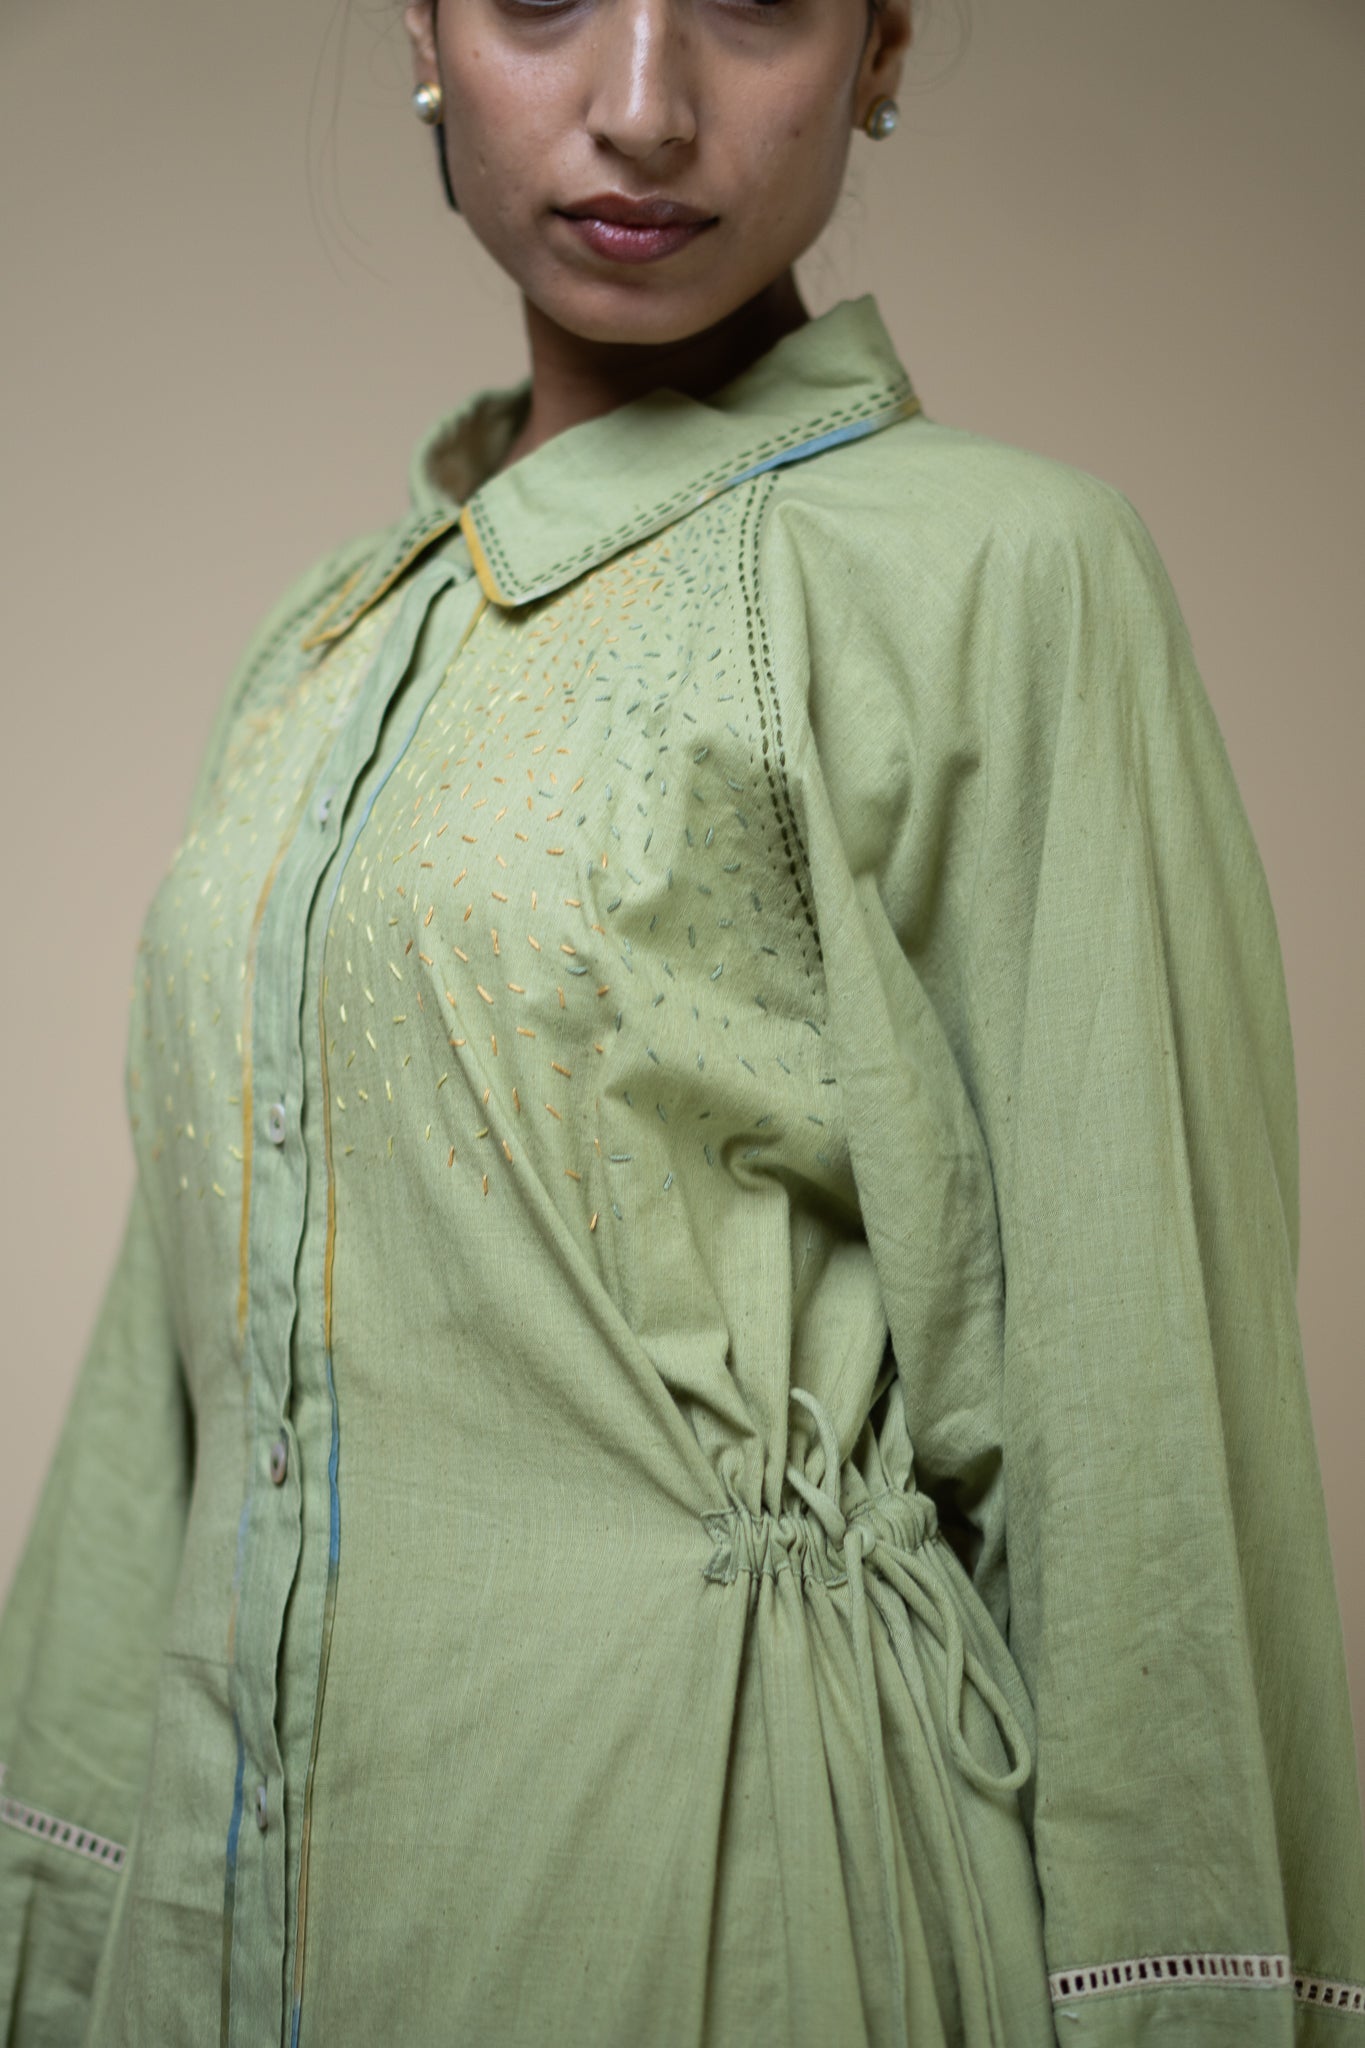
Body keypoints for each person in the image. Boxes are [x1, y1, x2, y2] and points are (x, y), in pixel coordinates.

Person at [1, 0, 1362, 2039]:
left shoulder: (1002, 573)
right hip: (232, 1937)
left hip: (743, 1914)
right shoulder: (328, 637)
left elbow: (1144, 1430)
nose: (642, 106)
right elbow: (167, 1398)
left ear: (879, 49)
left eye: (750, 2)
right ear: (425, 31)